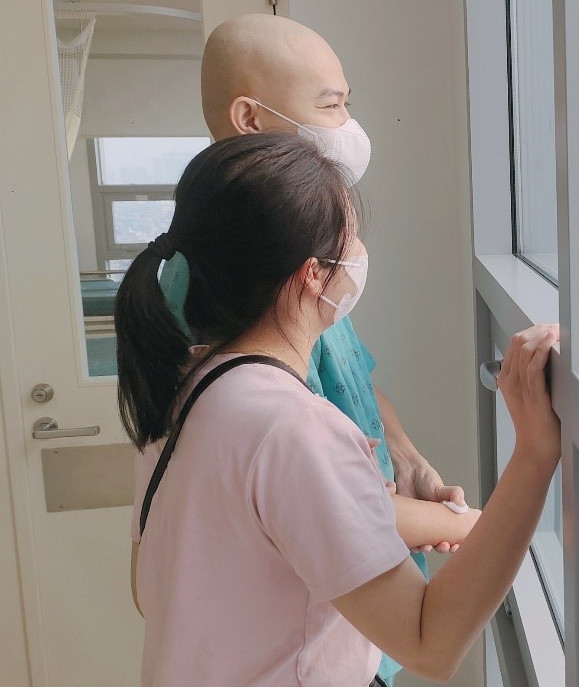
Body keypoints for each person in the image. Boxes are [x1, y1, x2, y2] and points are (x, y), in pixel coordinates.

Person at [117, 133, 560, 686]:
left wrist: (359, 515)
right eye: (351, 241)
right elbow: (430, 644)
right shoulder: (294, 427)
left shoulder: (184, 390)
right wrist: (534, 453)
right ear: (310, 274)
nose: (359, 257)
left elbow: (150, 588)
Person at [160, 16, 462, 683]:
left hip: (359, 616)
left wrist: (408, 460)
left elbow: (350, 374)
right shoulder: (216, 286)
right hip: (314, 631)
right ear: (249, 117)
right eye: (330, 106)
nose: (349, 126)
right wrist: (462, 522)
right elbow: (295, 479)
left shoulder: (296, 258)